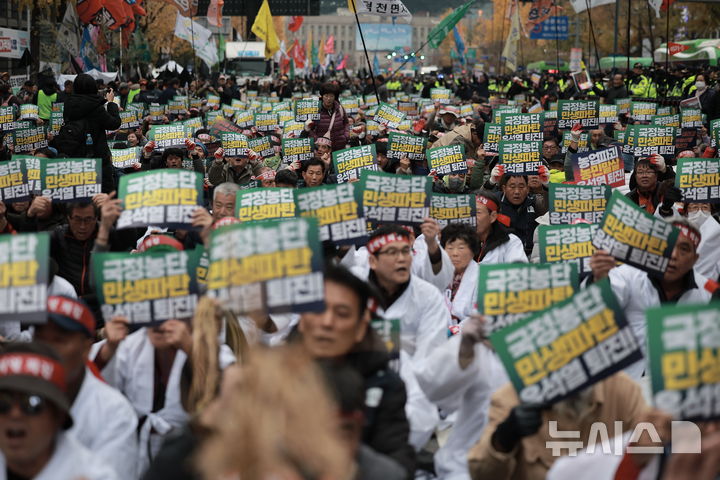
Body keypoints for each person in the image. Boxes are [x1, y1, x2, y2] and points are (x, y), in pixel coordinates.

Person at [296, 265, 415, 477]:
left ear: (361, 328)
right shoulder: (269, 376)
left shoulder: (385, 384)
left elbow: (398, 462)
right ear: (302, 319)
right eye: (318, 309)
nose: (327, 322)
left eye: (342, 313)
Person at [350, 225, 452, 449]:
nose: (401, 259)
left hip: (409, 385)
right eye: (392, 252)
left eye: (406, 251)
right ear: (373, 261)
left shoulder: (427, 296)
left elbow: (428, 357)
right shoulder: (352, 287)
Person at [588, 217, 714, 378]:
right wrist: (600, 281)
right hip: (626, 386)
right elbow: (598, 315)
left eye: (684, 249)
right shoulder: (627, 275)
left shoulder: (708, 293)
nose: (674, 255)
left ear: (695, 259)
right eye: (668, 247)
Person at [467, 372, 654, 480]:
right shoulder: (510, 398)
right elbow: (481, 475)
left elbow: (654, 457)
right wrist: (503, 439)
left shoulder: (622, 390)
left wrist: (661, 435)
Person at [33, 296, 139, 479]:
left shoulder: (114, 412)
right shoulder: (12, 396)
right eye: (40, 339)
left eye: (58, 340)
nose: (47, 350)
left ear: (86, 349)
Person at [0, 342, 119, 480]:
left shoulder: (96, 476)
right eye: (3, 402)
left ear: (58, 416)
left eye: (32, 403)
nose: (15, 414)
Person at [54, 73, 121, 193]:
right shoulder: (95, 107)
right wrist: (111, 103)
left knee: (81, 193)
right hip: (97, 158)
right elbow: (114, 123)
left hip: (76, 156)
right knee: (103, 196)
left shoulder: (69, 103)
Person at [439, 223, 481, 323]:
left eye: (461, 248)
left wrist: (454, 330)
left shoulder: (482, 276)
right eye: (450, 248)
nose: (455, 253)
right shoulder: (437, 274)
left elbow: (479, 316)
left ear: (472, 251)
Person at [474, 191, 529, 264]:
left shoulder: (510, 242)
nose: (472, 217)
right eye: (468, 212)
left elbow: (519, 271)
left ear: (492, 216)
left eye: (477, 212)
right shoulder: (458, 242)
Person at [307, 82, 349, 151]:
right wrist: (317, 141)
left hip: (340, 148)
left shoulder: (340, 108)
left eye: (331, 96)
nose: (328, 99)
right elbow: (310, 129)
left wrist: (346, 136)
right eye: (326, 96)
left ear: (335, 97)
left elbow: (346, 123)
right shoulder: (315, 110)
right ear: (322, 96)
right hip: (323, 150)